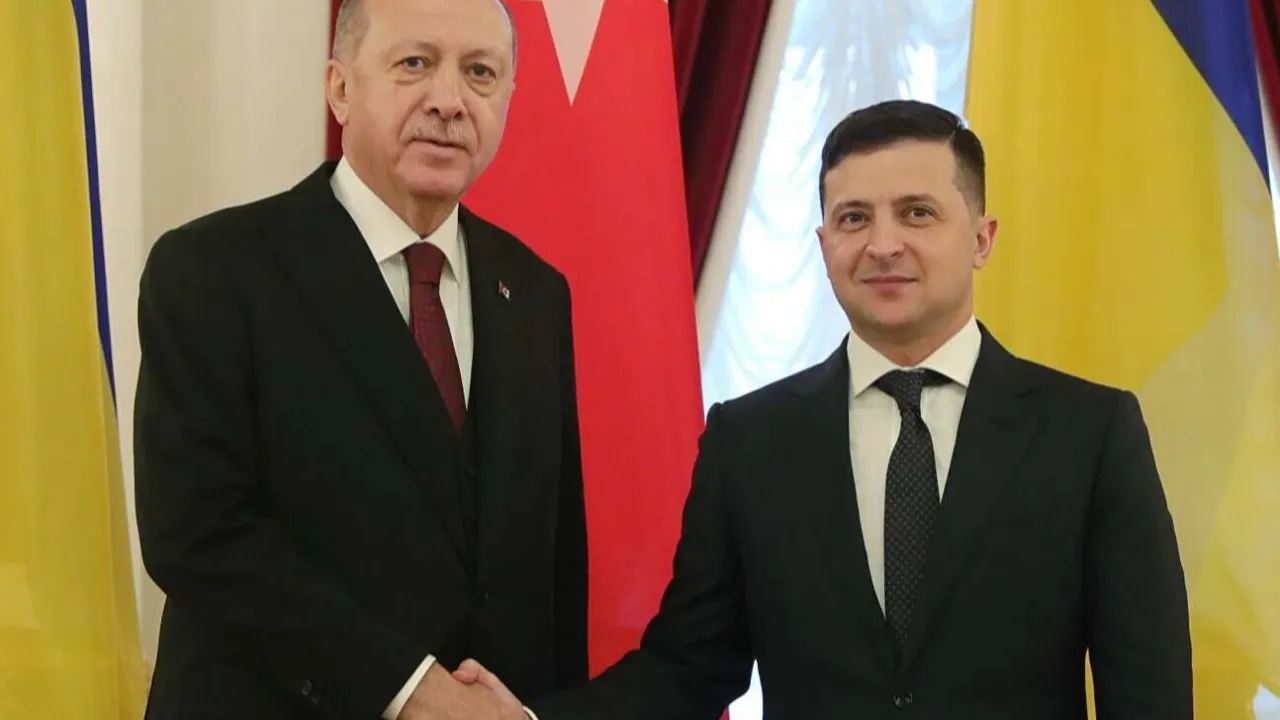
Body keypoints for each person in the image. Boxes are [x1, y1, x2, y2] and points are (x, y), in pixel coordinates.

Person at [459, 99, 1193, 719]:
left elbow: (1148, 691)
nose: (882, 245)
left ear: (981, 239)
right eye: (853, 218)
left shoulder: (1089, 433)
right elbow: (689, 668)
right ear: (822, 243)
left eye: (917, 213)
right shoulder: (750, 440)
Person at [132, 0, 588, 718]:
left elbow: (554, 567)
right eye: (415, 63)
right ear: (340, 88)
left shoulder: (535, 292)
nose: (449, 101)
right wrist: (408, 689)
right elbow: (197, 534)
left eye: (479, 73)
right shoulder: (214, 270)